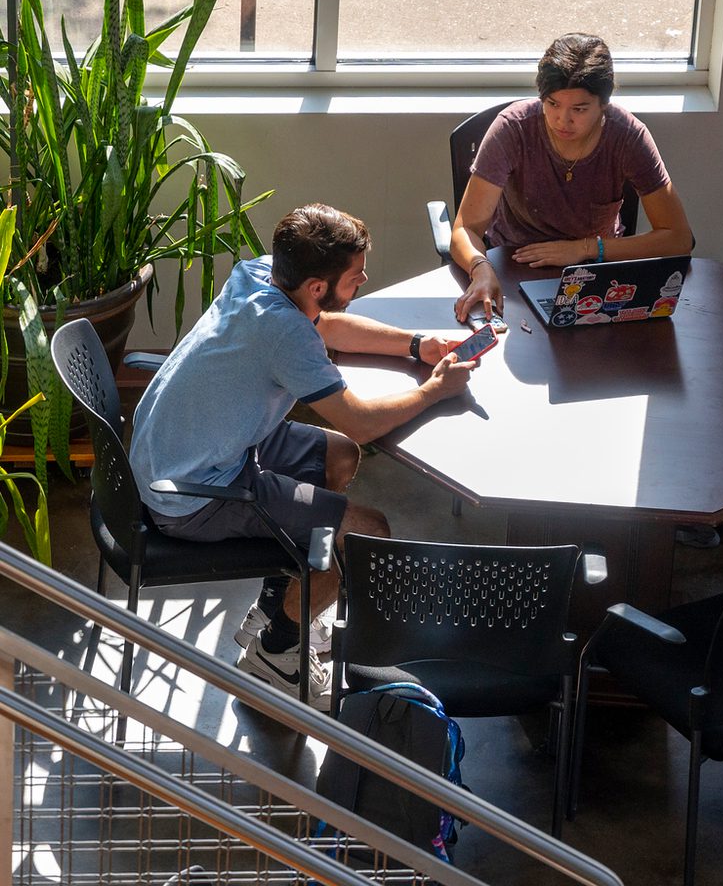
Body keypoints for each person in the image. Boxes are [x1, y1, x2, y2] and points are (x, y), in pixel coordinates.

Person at [130, 203, 476, 709]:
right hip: (192, 492)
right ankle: (276, 654)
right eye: (356, 277)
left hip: (185, 448)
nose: (363, 281)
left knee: (339, 456)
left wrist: (417, 345)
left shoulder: (259, 275)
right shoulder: (284, 333)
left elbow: (328, 329)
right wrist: (434, 391)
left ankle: (280, 603)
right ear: (317, 285)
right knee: (361, 535)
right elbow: (357, 417)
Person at [451, 32, 694, 322]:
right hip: (515, 264)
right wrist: (481, 267)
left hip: (597, 271)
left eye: (579, 109)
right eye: (552, 104)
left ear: (604, 103)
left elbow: (678, 238)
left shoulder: (627, 136)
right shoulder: (513, 128)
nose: (562, 120)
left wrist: (584, 249)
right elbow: (465, 229)